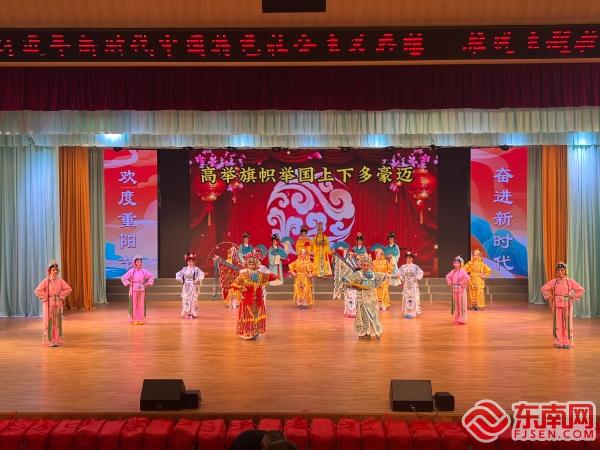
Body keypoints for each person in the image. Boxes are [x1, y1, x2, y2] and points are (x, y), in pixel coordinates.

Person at [231, 249, 279, 339]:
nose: (251, 265)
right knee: (248, 314)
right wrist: (241, 287)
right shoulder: (243, 274)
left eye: (253, 264)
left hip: (258, 297)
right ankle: (248, 332)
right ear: (247, 264)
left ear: (256, 264)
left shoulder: (260, 274)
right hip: (247, 297)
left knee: (256, 314)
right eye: (250, 264)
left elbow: (269, 277)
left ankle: (255, 331)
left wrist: (275, 276)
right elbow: (234, 284)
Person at [343, 254, 390, 340]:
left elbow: (384, 275)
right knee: (364, 316)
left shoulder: (373, 274)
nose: (366, 267)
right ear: (361, 265)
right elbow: (345, 279)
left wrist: (395, 276)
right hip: (362, 299)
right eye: (364, 265)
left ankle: (374, 332)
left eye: (367, 265)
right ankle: (365, 333)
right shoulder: (358, 274)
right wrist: (355, 286)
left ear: (370, 265)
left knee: (373, 316)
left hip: (372, 299)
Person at [541, 262, 585, 349]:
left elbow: (581, 290)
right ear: (556, 271)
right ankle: (559, 341)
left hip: (567, 305)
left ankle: (568, 342)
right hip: (557, 305)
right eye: (558, 270)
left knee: (567, 324)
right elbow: (544, 288)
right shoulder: (554, 282)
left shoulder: (570, 281)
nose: (560, 272)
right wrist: (551, 296)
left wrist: (572, 295)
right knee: (558, 324)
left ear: (565, 271)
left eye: (562, 270)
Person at [34, 261, 72, 347]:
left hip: (58, 304)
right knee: (49, 322)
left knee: (57, 323)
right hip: (48, 305)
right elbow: (37, 291)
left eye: (56, 270)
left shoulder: (60, 281)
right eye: (53, 270)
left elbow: (68, 289)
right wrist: (45, 297)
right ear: (50, 271)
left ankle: (56, 340)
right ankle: (49, 341)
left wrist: (61, 296)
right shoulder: (46, 281)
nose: (55, 271)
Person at [120, 255, 155, 324]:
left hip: (142, 289)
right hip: (133, 289)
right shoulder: (131, 271)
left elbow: (151, 276)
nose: (139, 263)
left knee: (141, 304)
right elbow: (123, 278)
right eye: (138, 261)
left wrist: (147, 283)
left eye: (140, 262)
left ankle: (141, 319)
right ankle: (134, 319)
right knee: (134, 304)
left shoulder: (144, 271)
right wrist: (129, 283)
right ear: (135, 263)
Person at [176, 251, 205, 319]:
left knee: (193, 299)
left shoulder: (196, 269)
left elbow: (202, 274)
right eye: (189, 261)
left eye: (192, 261)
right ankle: (187, 313)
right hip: (186, 286)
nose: (191, 262)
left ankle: (193, 313)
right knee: (186, 299)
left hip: (193, 286)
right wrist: (182, 280)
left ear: (194, 262)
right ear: (187, 262)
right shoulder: (184, 269)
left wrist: (196, 280)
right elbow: (177, 275)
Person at [398, 250, 424, 319]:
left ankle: (413, 313)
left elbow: (421, 272)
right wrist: (402, 279)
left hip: (413, 284)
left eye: (410, 258)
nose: (408, 259)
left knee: (414, 298)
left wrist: (416, 278)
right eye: (407, 258)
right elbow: (398, 273)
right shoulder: (403, 267)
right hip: (406, 284)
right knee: (406, 297)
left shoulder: (415, 267)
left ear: (412, 259)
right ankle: (407, 313)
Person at [445, 256, 470, 325]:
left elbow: (467, 278)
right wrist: (451, 282)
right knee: (456, 305)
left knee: (461, 304)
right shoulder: (453, 271)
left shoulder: (462, 271)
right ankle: (456, 318)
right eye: (455, 263)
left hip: (461, 290)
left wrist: (461, 283)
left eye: (457, 263)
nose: (456, 264)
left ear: (460, 264)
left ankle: (462, 319)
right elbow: (447, 276)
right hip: (455, 290)